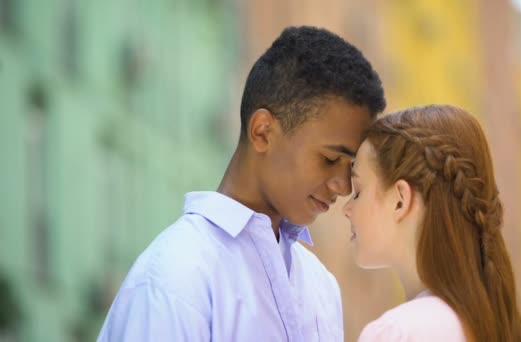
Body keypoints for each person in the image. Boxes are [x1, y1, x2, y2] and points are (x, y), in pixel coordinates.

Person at [97, 26, 385, 341]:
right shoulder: (177, 276)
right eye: (330, 159)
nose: (343, 187)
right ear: (263, 132)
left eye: (351, 167)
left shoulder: (321, 288)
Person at [343, 105, 521, 342]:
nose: (346, 209)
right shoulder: (496, 325)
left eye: (358, 191)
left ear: (400, 200)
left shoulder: (398, 333)